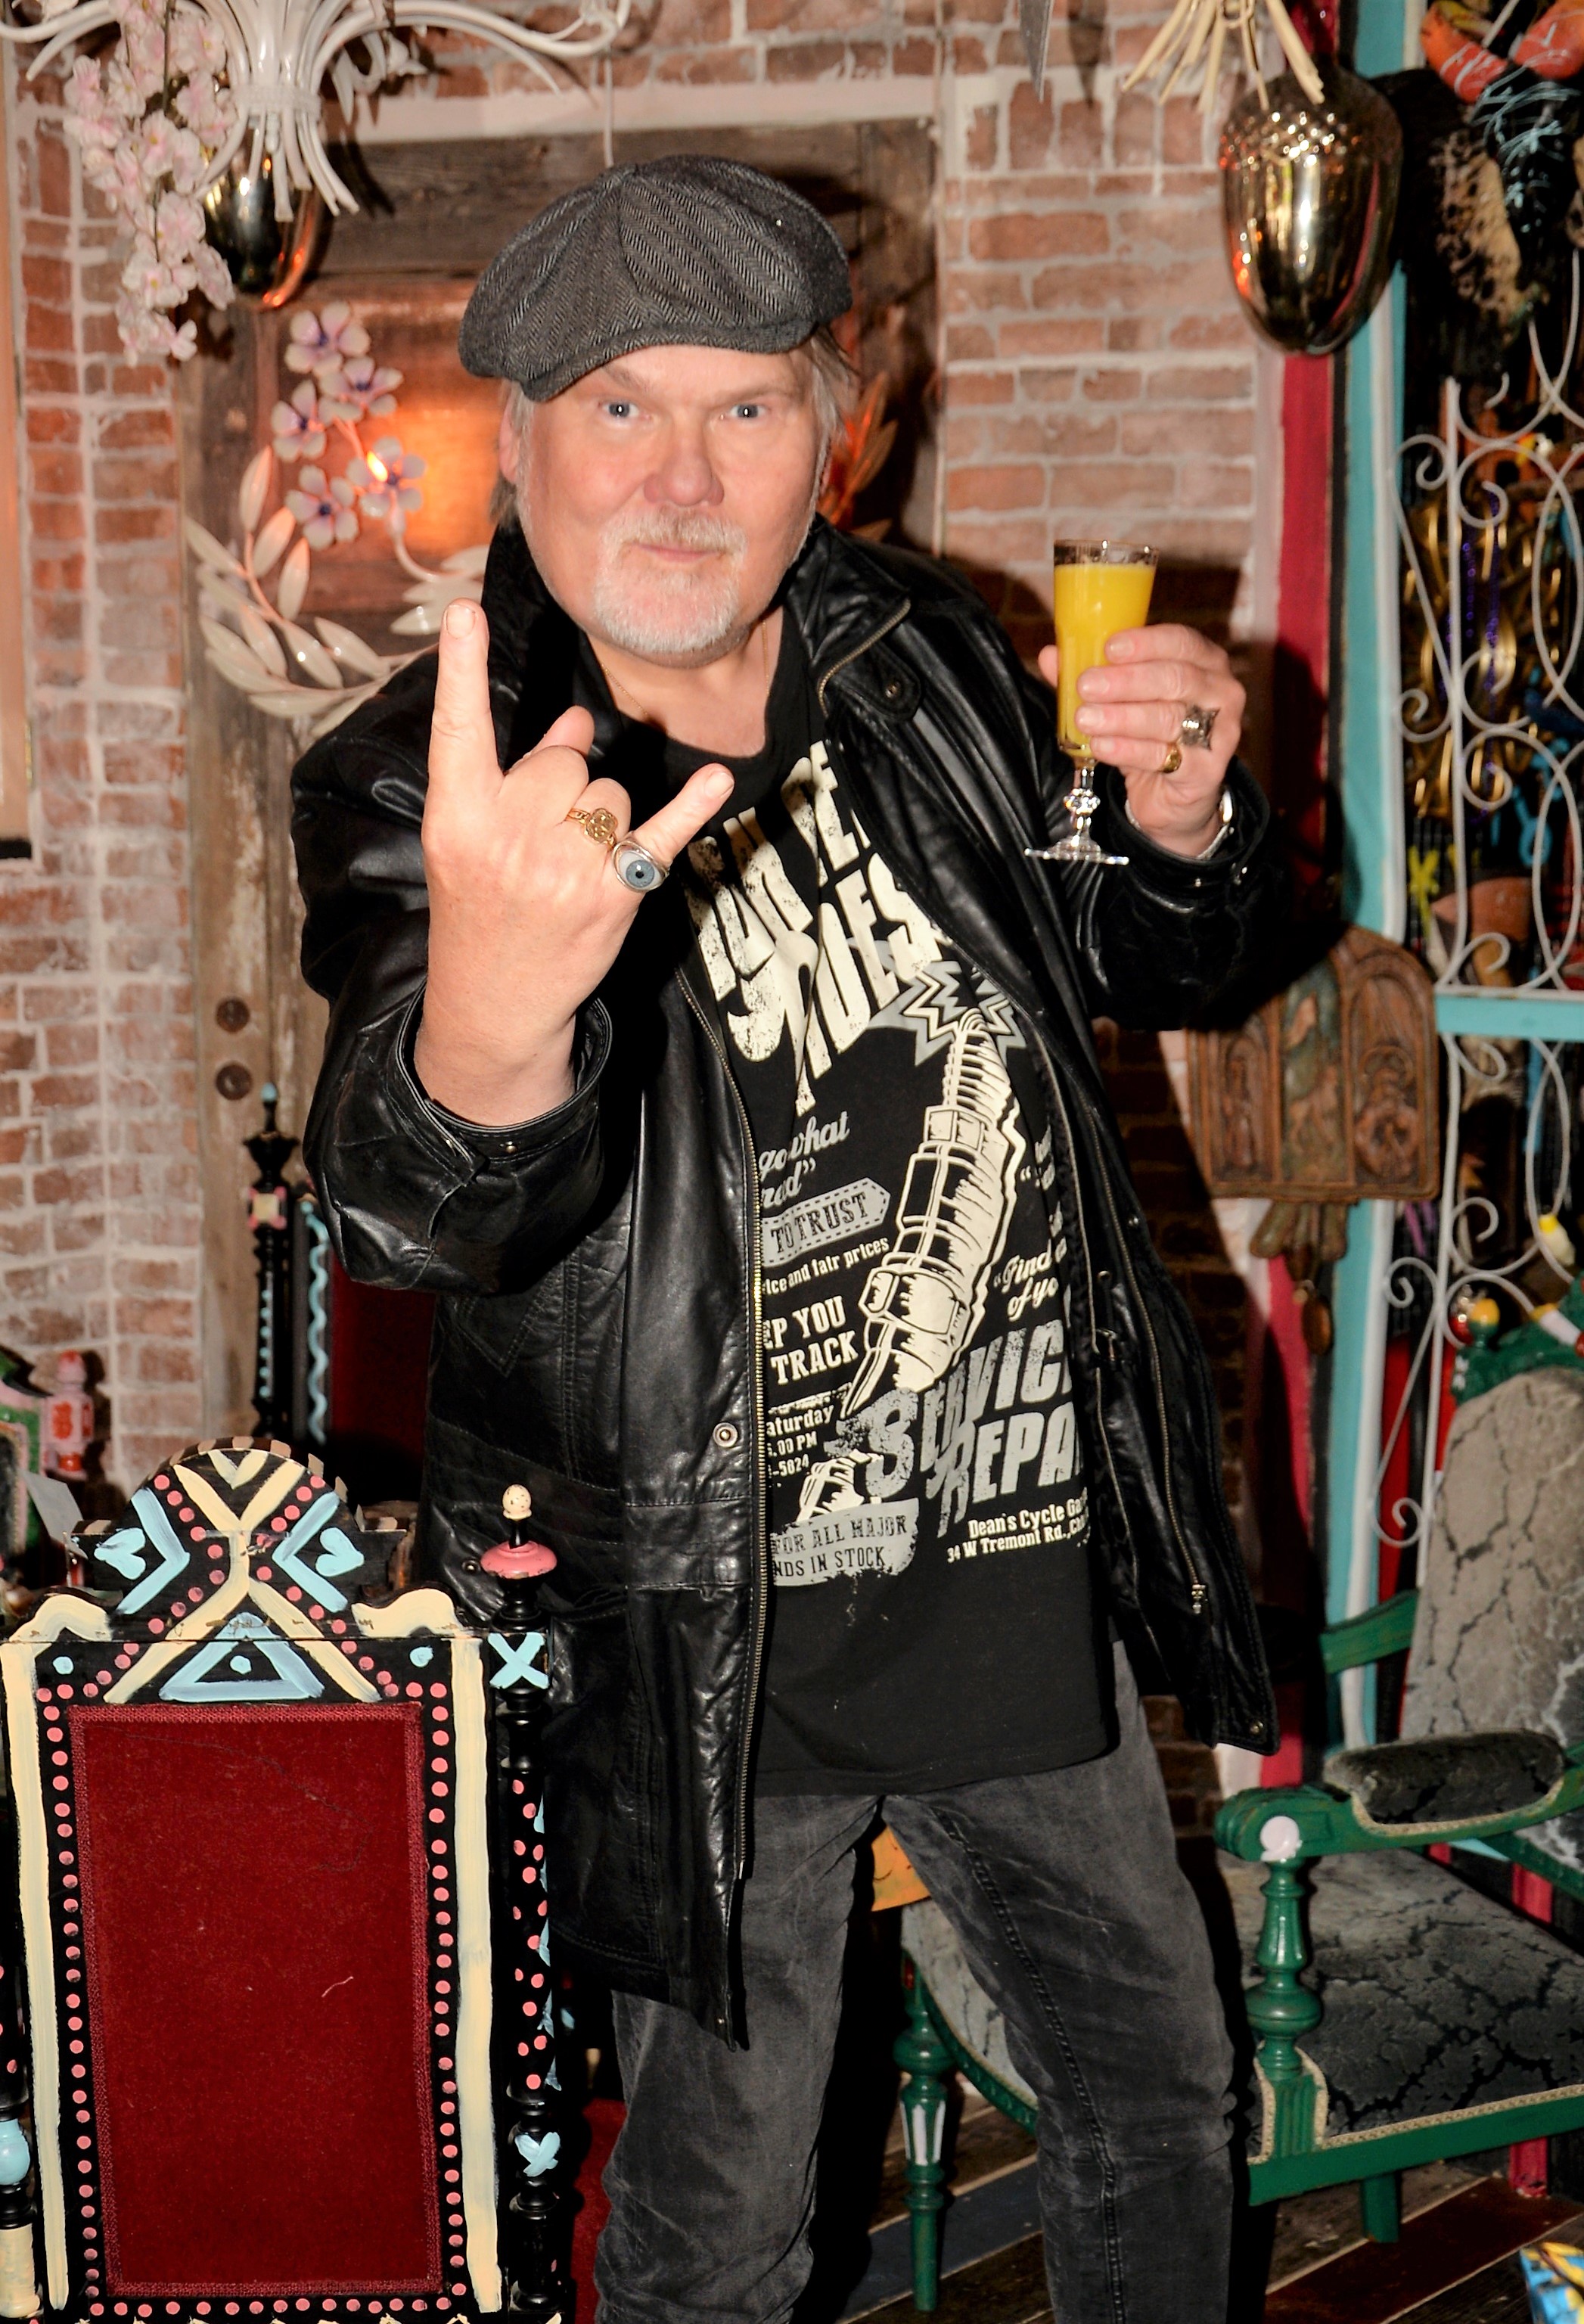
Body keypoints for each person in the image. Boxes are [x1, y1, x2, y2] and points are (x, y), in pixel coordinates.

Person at [292, 155, 1282, 2324]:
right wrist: (491, 1014)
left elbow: (1142, 955)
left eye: (743, 407)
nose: (684, 476)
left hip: (1012, 1567)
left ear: (824, 434)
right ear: (523, 447)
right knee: (722, 2233)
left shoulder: (929, 655)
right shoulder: (428, 772)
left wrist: (1185, 819)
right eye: (620, 410)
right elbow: (413, 1201)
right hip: (703, 1636)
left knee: (1160, 2102)